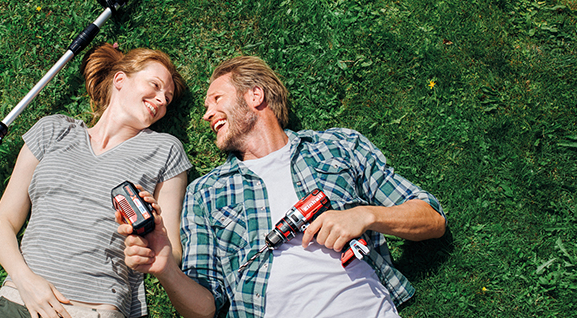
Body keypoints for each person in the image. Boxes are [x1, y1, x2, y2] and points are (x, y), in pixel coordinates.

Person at [119, 56, 446, 318]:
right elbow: (204, 309)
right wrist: (165, 269)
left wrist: (365, 216)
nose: (207, 114)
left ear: (255, 95)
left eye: (217, 99)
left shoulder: (336, 147)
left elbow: (432, 219)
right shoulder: (206, 193)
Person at [0, 43, 192, 318]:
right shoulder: (53, 130)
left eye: (167, 98)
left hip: (95, 309)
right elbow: (2, 223)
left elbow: (171, 252)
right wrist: (25, 280)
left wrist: (149, 246)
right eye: (154, 85)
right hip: (22, 300)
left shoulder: (165, 150)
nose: (162, 100)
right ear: (120, 79)